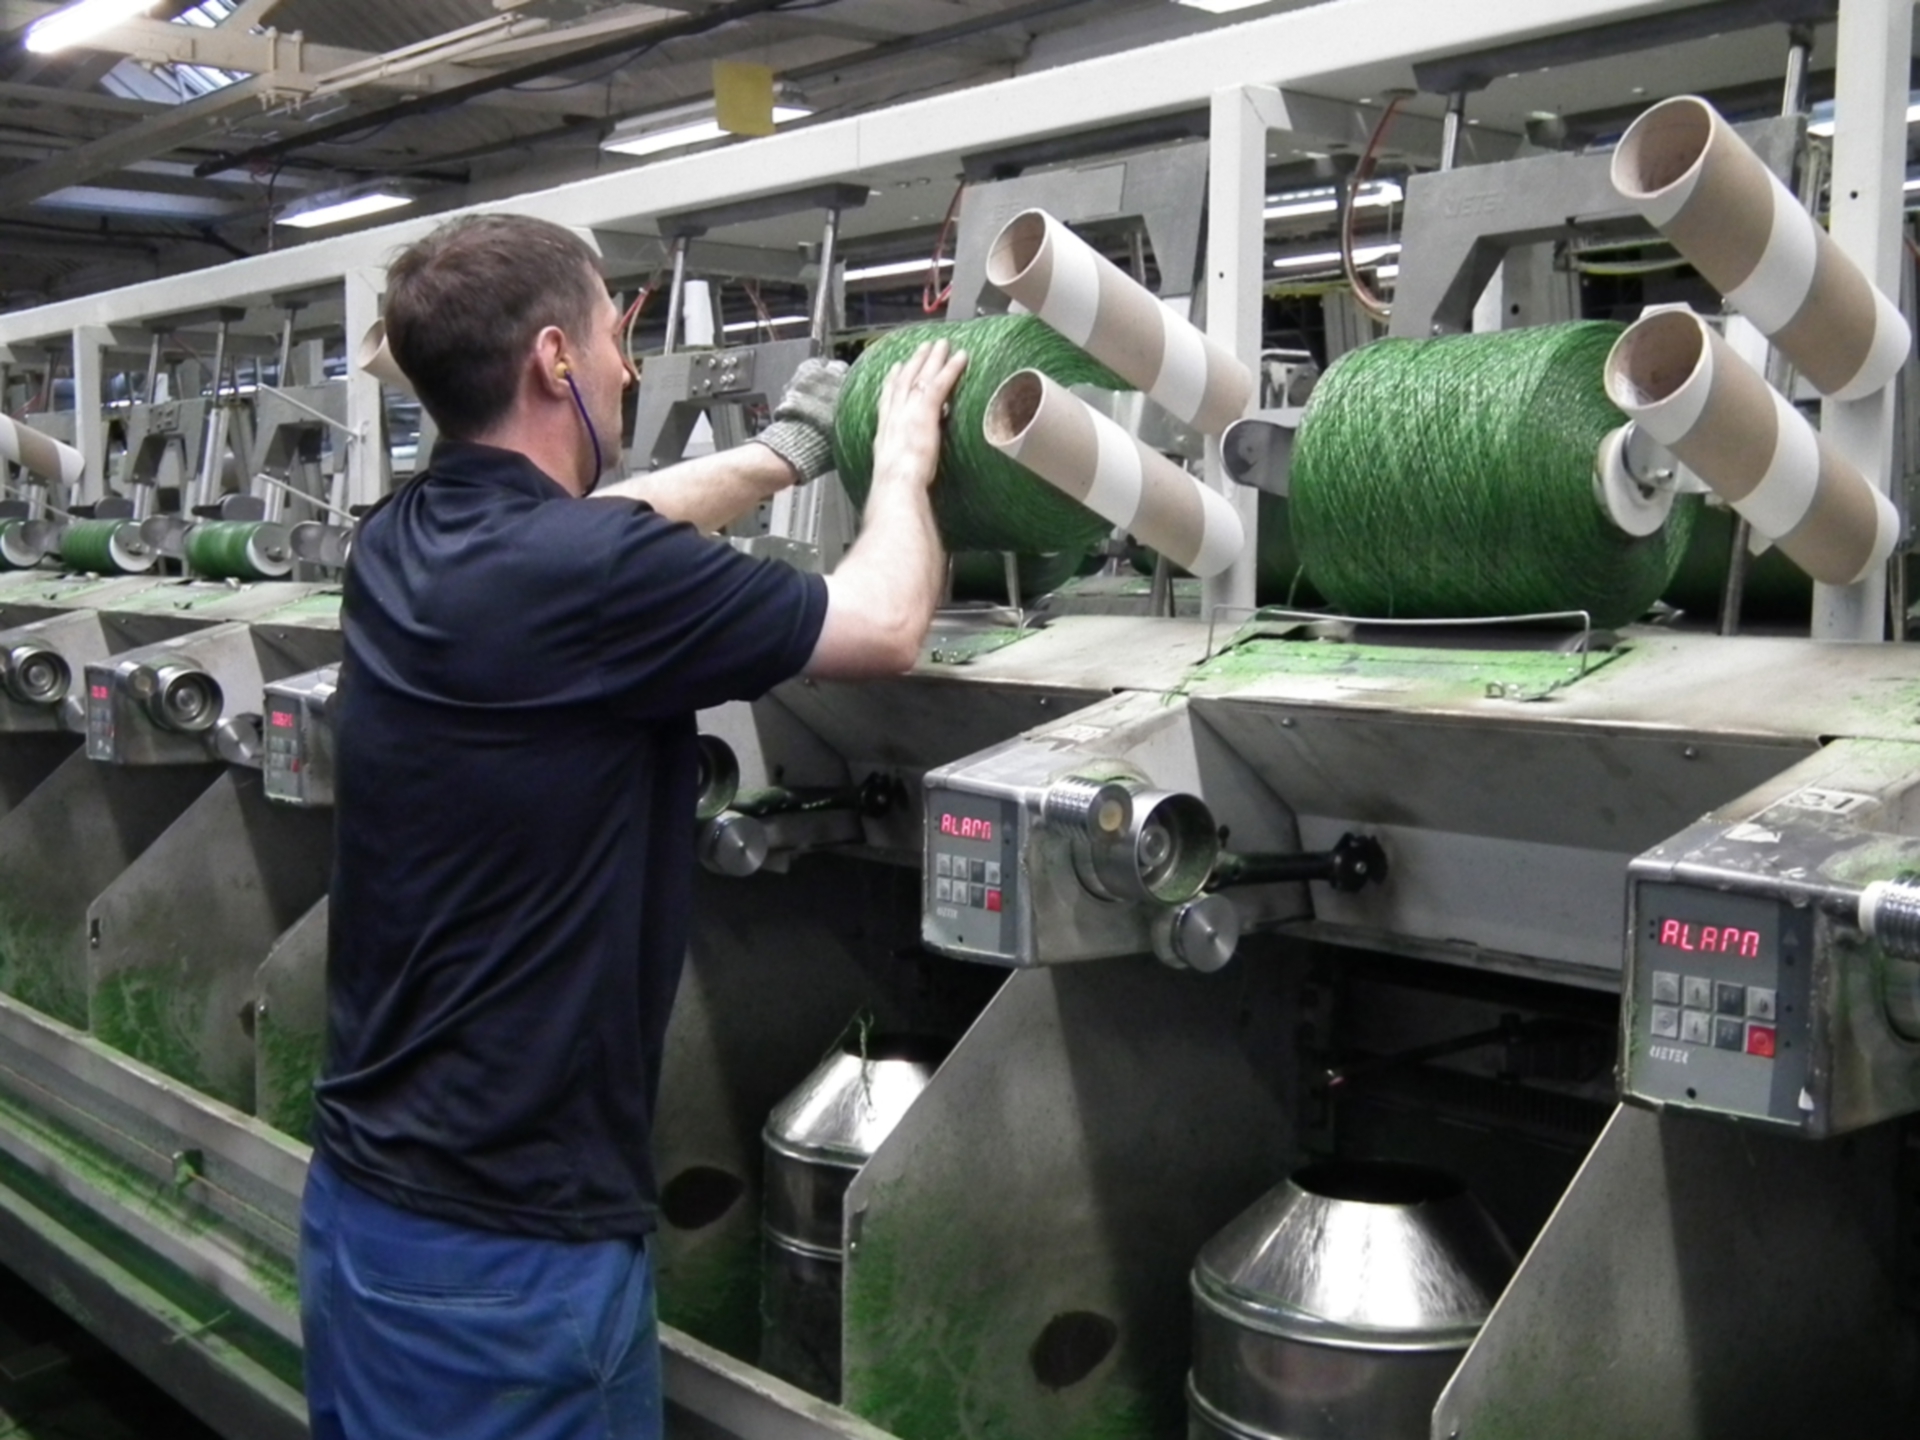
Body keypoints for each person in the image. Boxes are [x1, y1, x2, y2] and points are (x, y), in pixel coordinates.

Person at [298, 213, 967, 1440]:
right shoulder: (589, 576)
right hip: (507, 1265)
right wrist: (903, 464)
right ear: (556, 360)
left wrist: (780, 454)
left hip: (367, 1215)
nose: (625, 366)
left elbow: (627, 513)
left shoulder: (393, 545)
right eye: (613, 336)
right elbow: (883, 626)